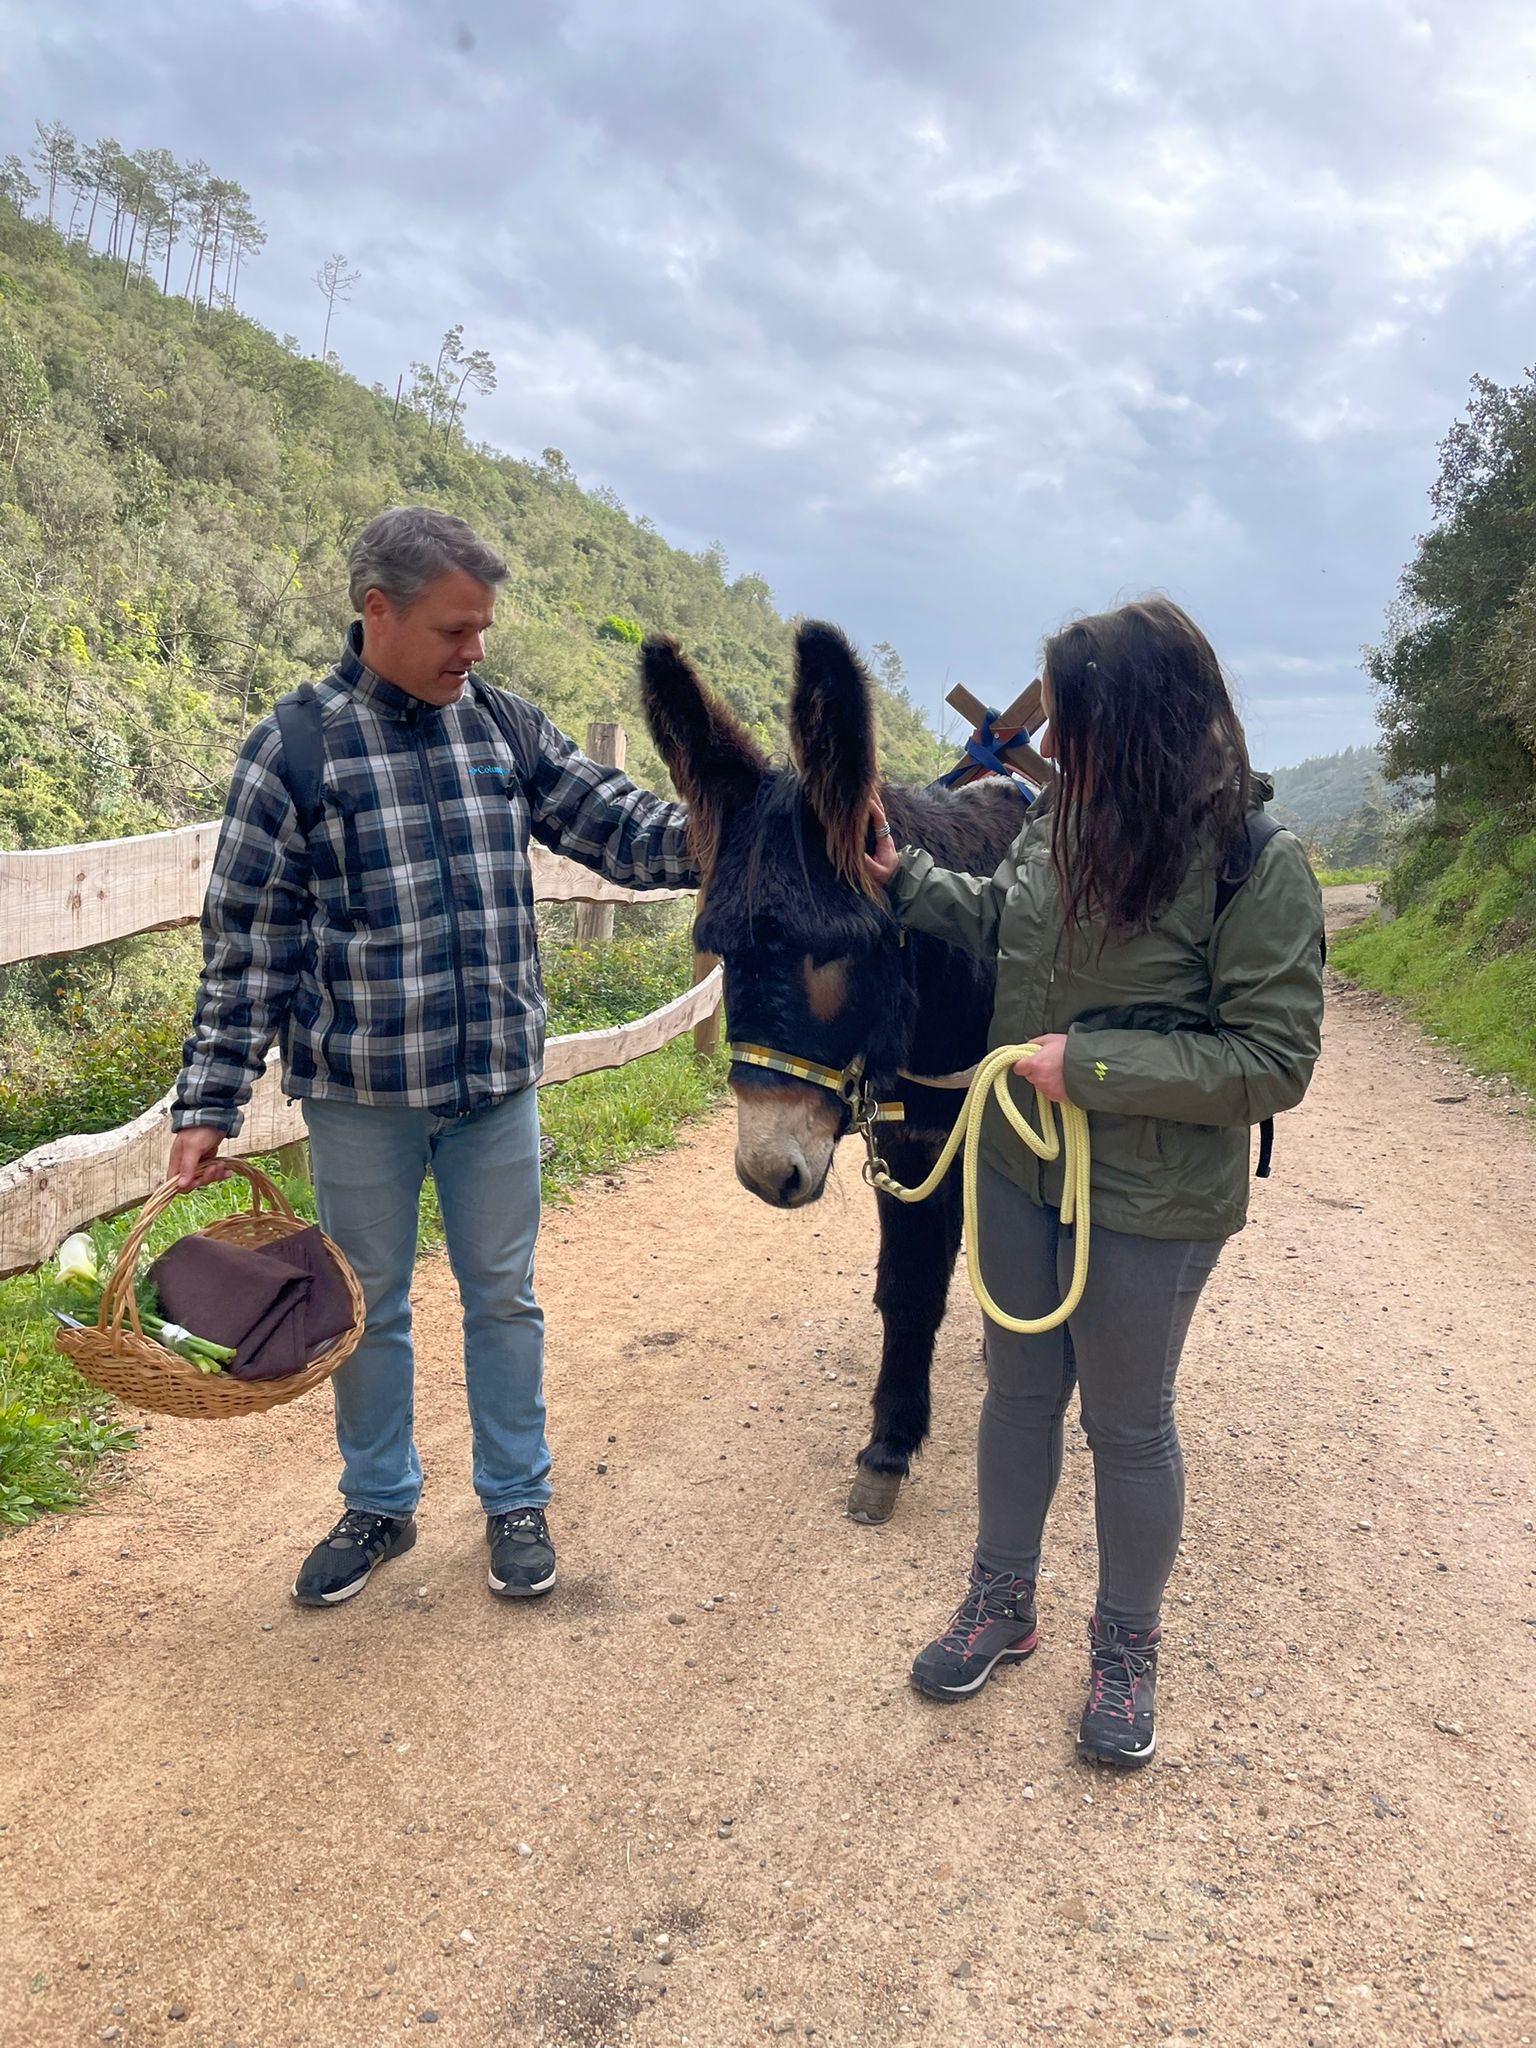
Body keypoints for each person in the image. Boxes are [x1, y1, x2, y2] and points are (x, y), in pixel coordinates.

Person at [169, 506, 696, 1609]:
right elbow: (247, 939)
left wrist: (738, 830)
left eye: (483, 628)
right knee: (367, 1304)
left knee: (503, 1295)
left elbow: (615, 823)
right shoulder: (295, 748)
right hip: (362, 1097)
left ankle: (515, 1497)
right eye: (458, 629)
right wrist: (208, 1097)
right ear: (379, 612)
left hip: (495, 1086)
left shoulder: (499, 723)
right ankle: (379, 1501)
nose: (477, 649)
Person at [865, 598, 1324, 1768]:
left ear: (1142, 722)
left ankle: (1126, 1643)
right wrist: (901, 878)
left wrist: (1098, 1065)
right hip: (1018, 1161)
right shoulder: (1057, 820)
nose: (1051, 744)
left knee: (1128, 1424)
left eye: (1071, 720)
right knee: (1016, 1393)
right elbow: (1004, 929)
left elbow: (1272, 1060)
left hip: (1157, 1198)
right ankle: (1001, 1600)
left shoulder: (1253, 863)